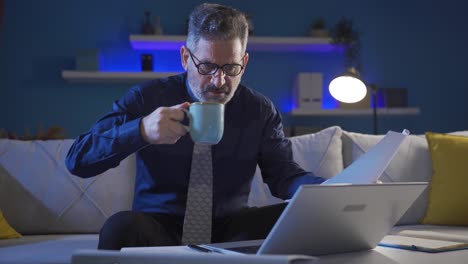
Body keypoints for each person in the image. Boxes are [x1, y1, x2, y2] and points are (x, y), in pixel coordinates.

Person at [65, 3, 325, 250]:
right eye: (208, 66)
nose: (219, 80)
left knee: (298, 220)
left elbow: (284, 176)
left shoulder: (260, 110)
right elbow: (78, 160)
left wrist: (329, 190)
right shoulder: (148, 98)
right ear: (185, 58)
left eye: (231, 67)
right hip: (159, 227)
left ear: (244, 63)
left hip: (231, 227)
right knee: (119, 228)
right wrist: (141, 130)